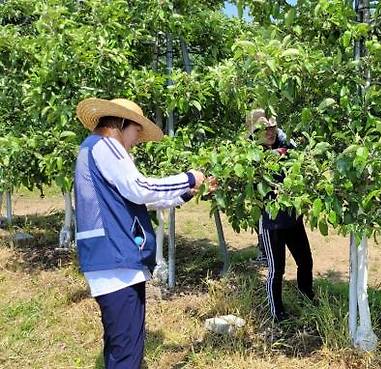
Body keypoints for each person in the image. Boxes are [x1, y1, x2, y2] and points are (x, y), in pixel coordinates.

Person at [74, 98, 216, 369]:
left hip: (112, 261)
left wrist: (184, 194)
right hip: (115, 260)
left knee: (121, 346)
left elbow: (137, 199)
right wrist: (188, 177)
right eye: (137, 133)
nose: (136, 141)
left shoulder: (91, 149)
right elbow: (139, 188)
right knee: (126, 352)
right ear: (122, 124)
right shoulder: (106, 146)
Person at [247, 108, 314, 322]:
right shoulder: (250, 154)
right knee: (277, 270)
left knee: (306, 261)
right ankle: (277, 313)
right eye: (265, 128)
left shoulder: (285, 143)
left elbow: (301, 160)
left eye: (273, 127)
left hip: (293, 217)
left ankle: (307, 295)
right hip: (271, 223)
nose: (270, 132)